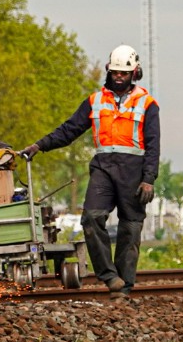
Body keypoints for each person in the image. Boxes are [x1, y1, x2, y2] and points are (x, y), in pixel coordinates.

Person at [22, 45, 159, 299]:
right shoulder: (95, 101)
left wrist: (148, 179)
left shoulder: (148, 104)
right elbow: (69, 130)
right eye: (115, 72)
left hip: (134, 173)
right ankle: (109, 276)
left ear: (134, 73)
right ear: (109, 71)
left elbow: (153, 145)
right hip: (104, 169)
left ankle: (123, 288)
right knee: (91, 218)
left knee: (131, 229)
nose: (118, 77)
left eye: (124, 73)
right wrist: (39, 145)